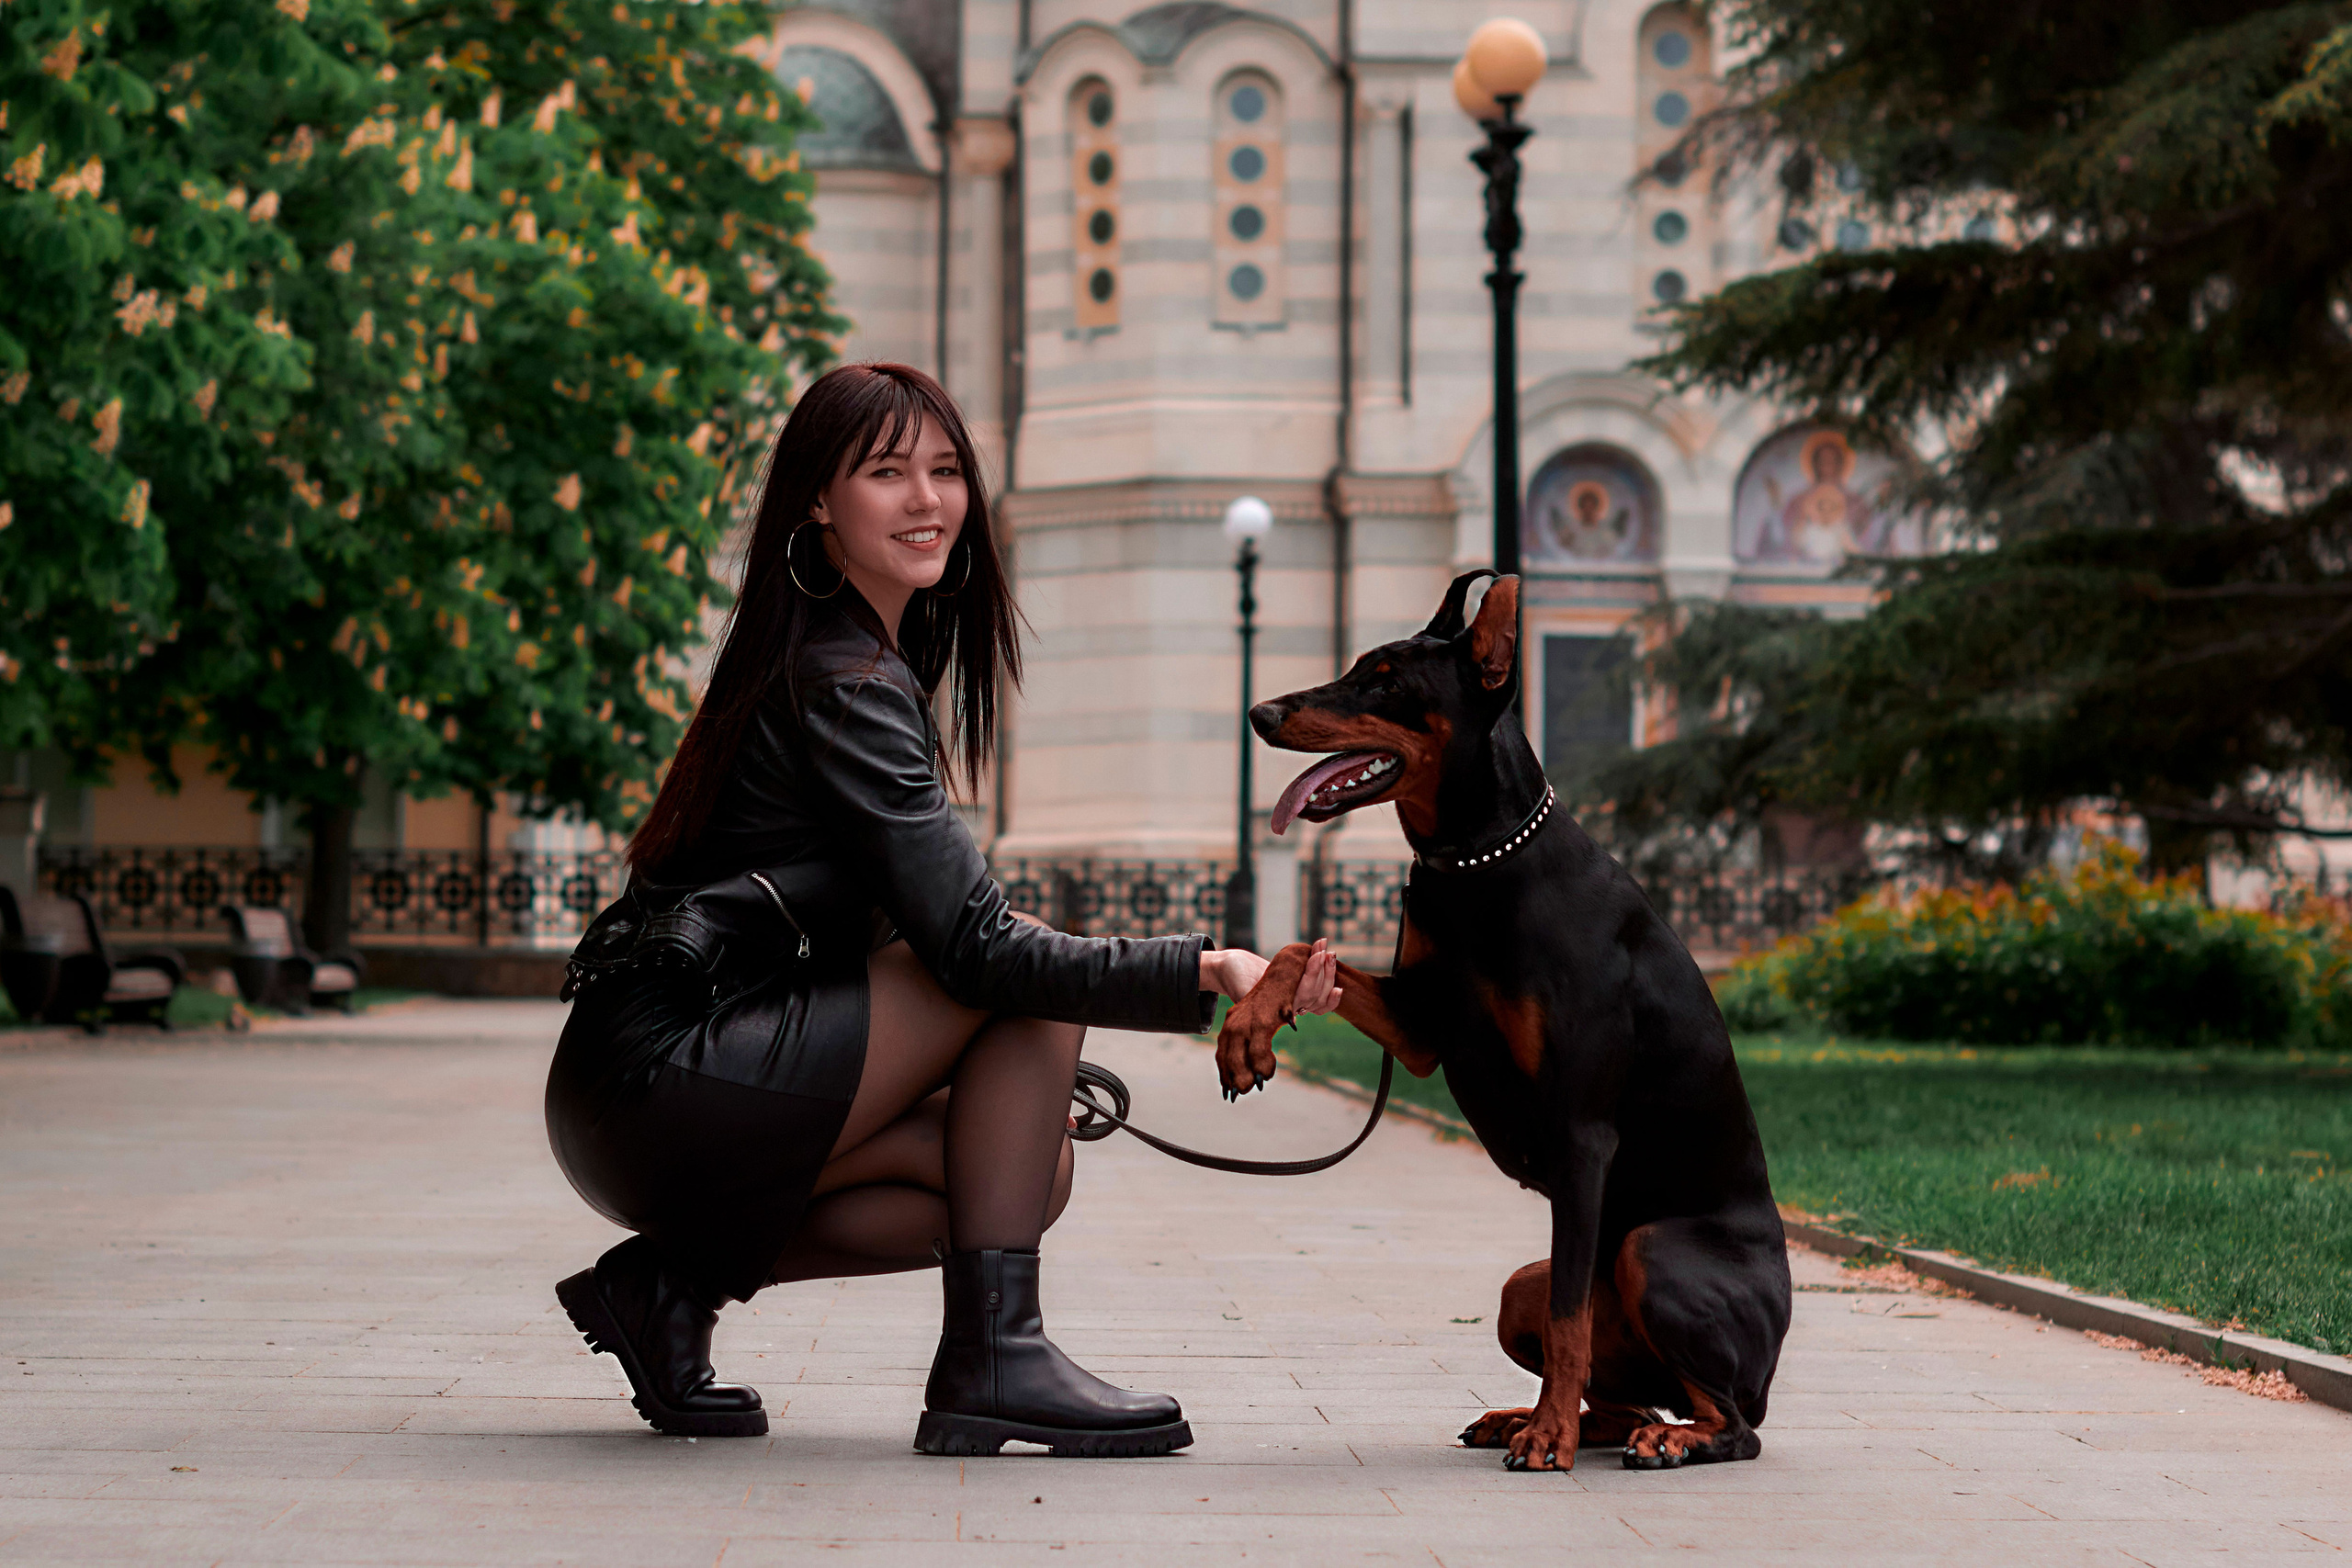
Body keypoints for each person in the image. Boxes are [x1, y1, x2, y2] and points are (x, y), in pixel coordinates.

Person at [543, 362, 1339, 1459]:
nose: (927, 500)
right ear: (819, 502)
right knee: (1027, 982)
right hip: (665, 1077)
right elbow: (974, 948)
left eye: (946, 470)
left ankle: (669, 1291)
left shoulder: (844, 657)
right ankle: (994, 1364)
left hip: (652, 1090)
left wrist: (987, 1092)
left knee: (1015, 1175)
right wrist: (1210, 968)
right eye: (886, 473)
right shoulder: (846, 682)